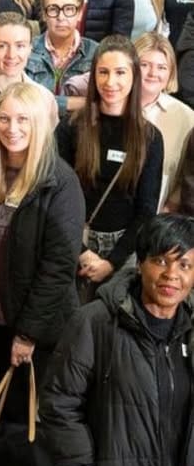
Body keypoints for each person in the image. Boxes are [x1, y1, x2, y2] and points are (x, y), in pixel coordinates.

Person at [41, 213, 194, 466]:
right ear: (140, 263)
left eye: (184, 265)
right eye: (161, 261)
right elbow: (59, 404)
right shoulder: (95, 322)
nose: (172, 274)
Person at [0, 81, 84, 466]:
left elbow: (58, 267)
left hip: (32, 332)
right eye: (5, 117)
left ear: (41, 124)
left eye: (23, 119)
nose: (12, 128)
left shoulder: (59, 183)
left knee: (24, 425)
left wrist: (27, 334)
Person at [55, 34, 163, 300]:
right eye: (103, 72)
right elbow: (56, 196)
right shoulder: (71, 127)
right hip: (72, 240)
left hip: (123, 250)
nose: (110, 82)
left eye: (120, 72)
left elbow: (146, 210)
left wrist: (112, 262)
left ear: (134, 76)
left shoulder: (150, 138)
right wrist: (82, 252)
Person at [135, 32, 194, 211]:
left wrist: (168, 211)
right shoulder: (113, 107)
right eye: (145, 65)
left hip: (160, 215)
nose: (153, 73)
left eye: (162, 67)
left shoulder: (187, 117)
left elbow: (186, 174)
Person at [26, 0, 97, 115]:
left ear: (80, 13)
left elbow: (99, 103)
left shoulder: (96, 52)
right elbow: (22, 100)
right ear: (44, 15)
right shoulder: (27, 49)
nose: (61, 17)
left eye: (69, 9)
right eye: (53, 9)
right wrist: (73, 103)